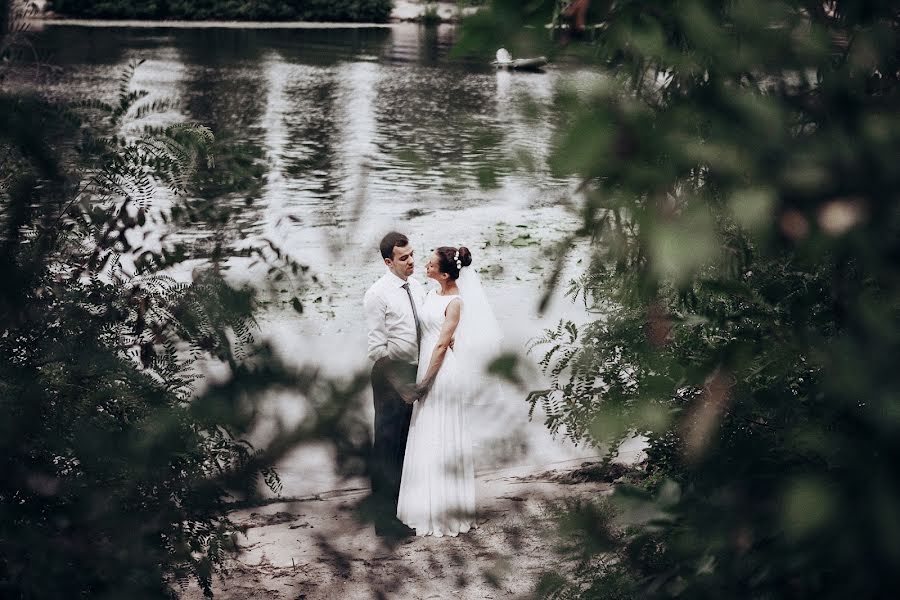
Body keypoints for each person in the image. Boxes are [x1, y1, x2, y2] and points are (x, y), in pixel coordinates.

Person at [397, 246, 501, 537]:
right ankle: (423, 506)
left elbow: (442, 345)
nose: (424, 266)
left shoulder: (455, 302)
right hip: (427, 367)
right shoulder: (431, 293)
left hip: (441, 374)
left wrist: (424, 384)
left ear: (444, 274)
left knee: (442, 436)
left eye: (430, 265)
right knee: (425, 434)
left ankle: (445, 510)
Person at [363, 232, 424, 537]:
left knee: (406, 446)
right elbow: (377, 349)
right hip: (390, 378)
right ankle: (383, 521)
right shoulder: (377, 294)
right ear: (388, 262)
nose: (411, 261)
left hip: (414, 372)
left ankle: (399, 509)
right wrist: (401, 386)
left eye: (412, 254)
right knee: (386, 447)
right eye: (404, 258)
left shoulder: (417, 286)